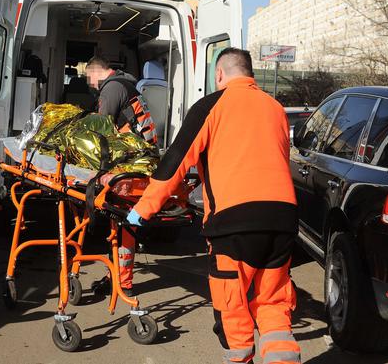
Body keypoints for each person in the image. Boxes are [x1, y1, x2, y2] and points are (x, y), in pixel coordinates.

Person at [127, 48, 301, 364]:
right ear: (250, 73)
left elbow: (176, 160)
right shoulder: (275, 108)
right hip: (283, 219)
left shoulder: (211, 105)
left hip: (234, 224)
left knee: (233, 311)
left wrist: (143, 208)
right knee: (273, 305)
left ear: (219, 74)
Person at [84, 56, 150, 297]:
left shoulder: (111, 89)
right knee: (122, 224)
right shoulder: (128, 85)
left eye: (89, 77)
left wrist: (94, 170)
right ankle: (118, 276)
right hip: (139, 161)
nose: (90, 84)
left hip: (129, 166)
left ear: (97, 71)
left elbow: (101, 132)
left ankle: (123, 282)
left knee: (124, 224)